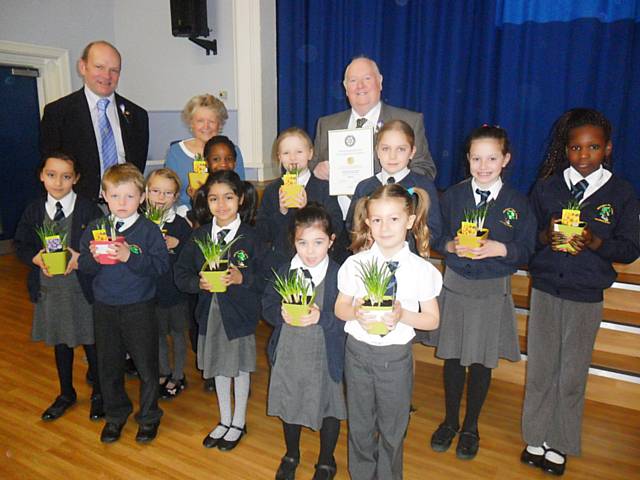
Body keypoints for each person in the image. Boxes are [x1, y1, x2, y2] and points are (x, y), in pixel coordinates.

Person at [521, 108, 640, 476]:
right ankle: (535, 436)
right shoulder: (547, 187)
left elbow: (629, 248)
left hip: (585, 295)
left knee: (571, 374)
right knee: (540, 369)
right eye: (576, 147)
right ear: (566, 149)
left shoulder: (620, 192)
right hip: (545, 290)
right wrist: (547, 236)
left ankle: (560, 442)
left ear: (607, 149)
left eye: (592, 147)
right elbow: (528, 240)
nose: (583, 155)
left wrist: (594, 241)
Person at [427, 126, 536, 460]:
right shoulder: (453, 196)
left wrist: (500, 248)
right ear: (468, 160)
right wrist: (450, 245)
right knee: (454, 358)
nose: (483, 165)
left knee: (481, 361)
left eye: (491, 158)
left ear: (505, 159)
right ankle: (449, 420)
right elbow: (436, 237)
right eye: (477, 158)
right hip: (457, 285)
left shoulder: (517, 202)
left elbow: (528, 249)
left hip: (492, 290)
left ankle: (471, 426)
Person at [334, 184, 441, 479]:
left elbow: (432, 320)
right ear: (367, 222)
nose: (385, 227)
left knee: (393, 428)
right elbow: (340, 308)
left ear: (410, 221)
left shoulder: (421, 270)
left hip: (395, 358)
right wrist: (355, 312)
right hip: (357, 353)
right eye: (377, 219)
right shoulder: (355, 265)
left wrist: (403, 315)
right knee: (360, 426)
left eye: (394, 219)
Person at [78, 163, 170, 444]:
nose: (122, 203)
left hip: (138, 307)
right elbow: (83, 266)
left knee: (145, 365)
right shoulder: (96, 228)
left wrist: (131, 256)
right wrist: (91, 259)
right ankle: (115, 415)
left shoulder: (148, 230)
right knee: (108, 365)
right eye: (115, 196)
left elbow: (160, 266)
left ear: (142, 198)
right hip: (105, 307)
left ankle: (149, 415)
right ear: (104, 195)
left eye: (129, 196)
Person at [174, 171, 262, 452]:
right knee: (219, 368)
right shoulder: (199, 234)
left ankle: (239, 421)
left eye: (228, 197)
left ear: (241, 198)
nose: (221, 205)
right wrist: (197, 283)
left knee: (238, 368)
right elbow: (181, 272)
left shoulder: (250, 237)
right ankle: (224, 419)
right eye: (214, 198)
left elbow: (266, 277)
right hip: (209, 313)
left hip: (239, 315)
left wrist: (242, 278)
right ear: (206, 201)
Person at [14, 153, 104, 422]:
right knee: (60, 341)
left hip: (82, 289)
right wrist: (35, 257)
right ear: (42, 175)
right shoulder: (33, 210)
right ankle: (66, 392)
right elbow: (21, 243)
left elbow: (101, 250)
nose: (58, 182)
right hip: (50, 289)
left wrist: (81, 260)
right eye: (51, 175)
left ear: (76, 178)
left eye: (66, 176)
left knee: (91, 341)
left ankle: (100, 393)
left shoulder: (89, 210)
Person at [262, 205, 347, 480]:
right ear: (293, 242)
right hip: (290, 350)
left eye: (318, 242)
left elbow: (348, 319)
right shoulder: (285, 270)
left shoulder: (340, 275)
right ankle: (291, 453)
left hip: (325, 353)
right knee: (290, 400)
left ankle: (326, 459)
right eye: (302, 243)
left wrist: (323, 318)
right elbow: (267, 305)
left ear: (331, 241)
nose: (310, 251)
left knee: (329, 406)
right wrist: (280, 314)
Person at [40, 41, 149, 202]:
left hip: (127, 207)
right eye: (99, 67)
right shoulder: (58, 113)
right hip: (78, 209)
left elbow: (137, 168)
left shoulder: (137, 116)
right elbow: (51, 168)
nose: (107, 76)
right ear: (83, 67)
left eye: (114, 70)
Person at [310, 56, 436, 181]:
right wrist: (316, 169)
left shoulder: (410, 121)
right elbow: (310, 164)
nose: (360, 86)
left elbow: (425, 169)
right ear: (345, 87)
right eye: (353, 80)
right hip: (336, 201)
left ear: (380, 82)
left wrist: (394, 188)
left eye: (367, 78)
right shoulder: (326, 124)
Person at [345, 119, 443, 252]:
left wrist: (397, 247)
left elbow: (434, 230)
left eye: (401, 149)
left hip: (409, 262)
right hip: (371, 262)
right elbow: (352, 225)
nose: (392, 156)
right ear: (377, 151)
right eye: (385, 149)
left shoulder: (424, 186)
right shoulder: (364, 186)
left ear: (412, 152)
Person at [256, 127, 344, 269]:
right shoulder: (272, 190)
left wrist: (307, 210)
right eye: (286, 153)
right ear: (279, 156)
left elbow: (337, 225)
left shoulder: (324, 188)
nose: (293, 158)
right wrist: (281, 212)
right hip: (282, 264)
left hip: (319, 261)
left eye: (299, 152)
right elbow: (262, 232)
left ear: (310, 153)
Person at [145, 168, 193, 399]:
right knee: (158, 334)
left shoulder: (181, 224)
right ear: (146, 192)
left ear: (175, 197)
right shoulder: (141, 222)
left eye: (167, 193)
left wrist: (178, 244)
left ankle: (178, 374)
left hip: (175, 291)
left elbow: (192, 254)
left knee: (177, 334)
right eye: (155, 191)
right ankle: (163, 371)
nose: (160, 197)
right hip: (151, 291)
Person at [165, 94, 246, 212]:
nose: (206, 126)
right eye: (200, 121)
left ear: (220, 124)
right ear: (191, 123)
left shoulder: (232, 151)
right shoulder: (176, 152)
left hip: (223, 213)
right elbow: (168, 191)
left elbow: (239, 188)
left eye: (212, 121)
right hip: (184, 215)